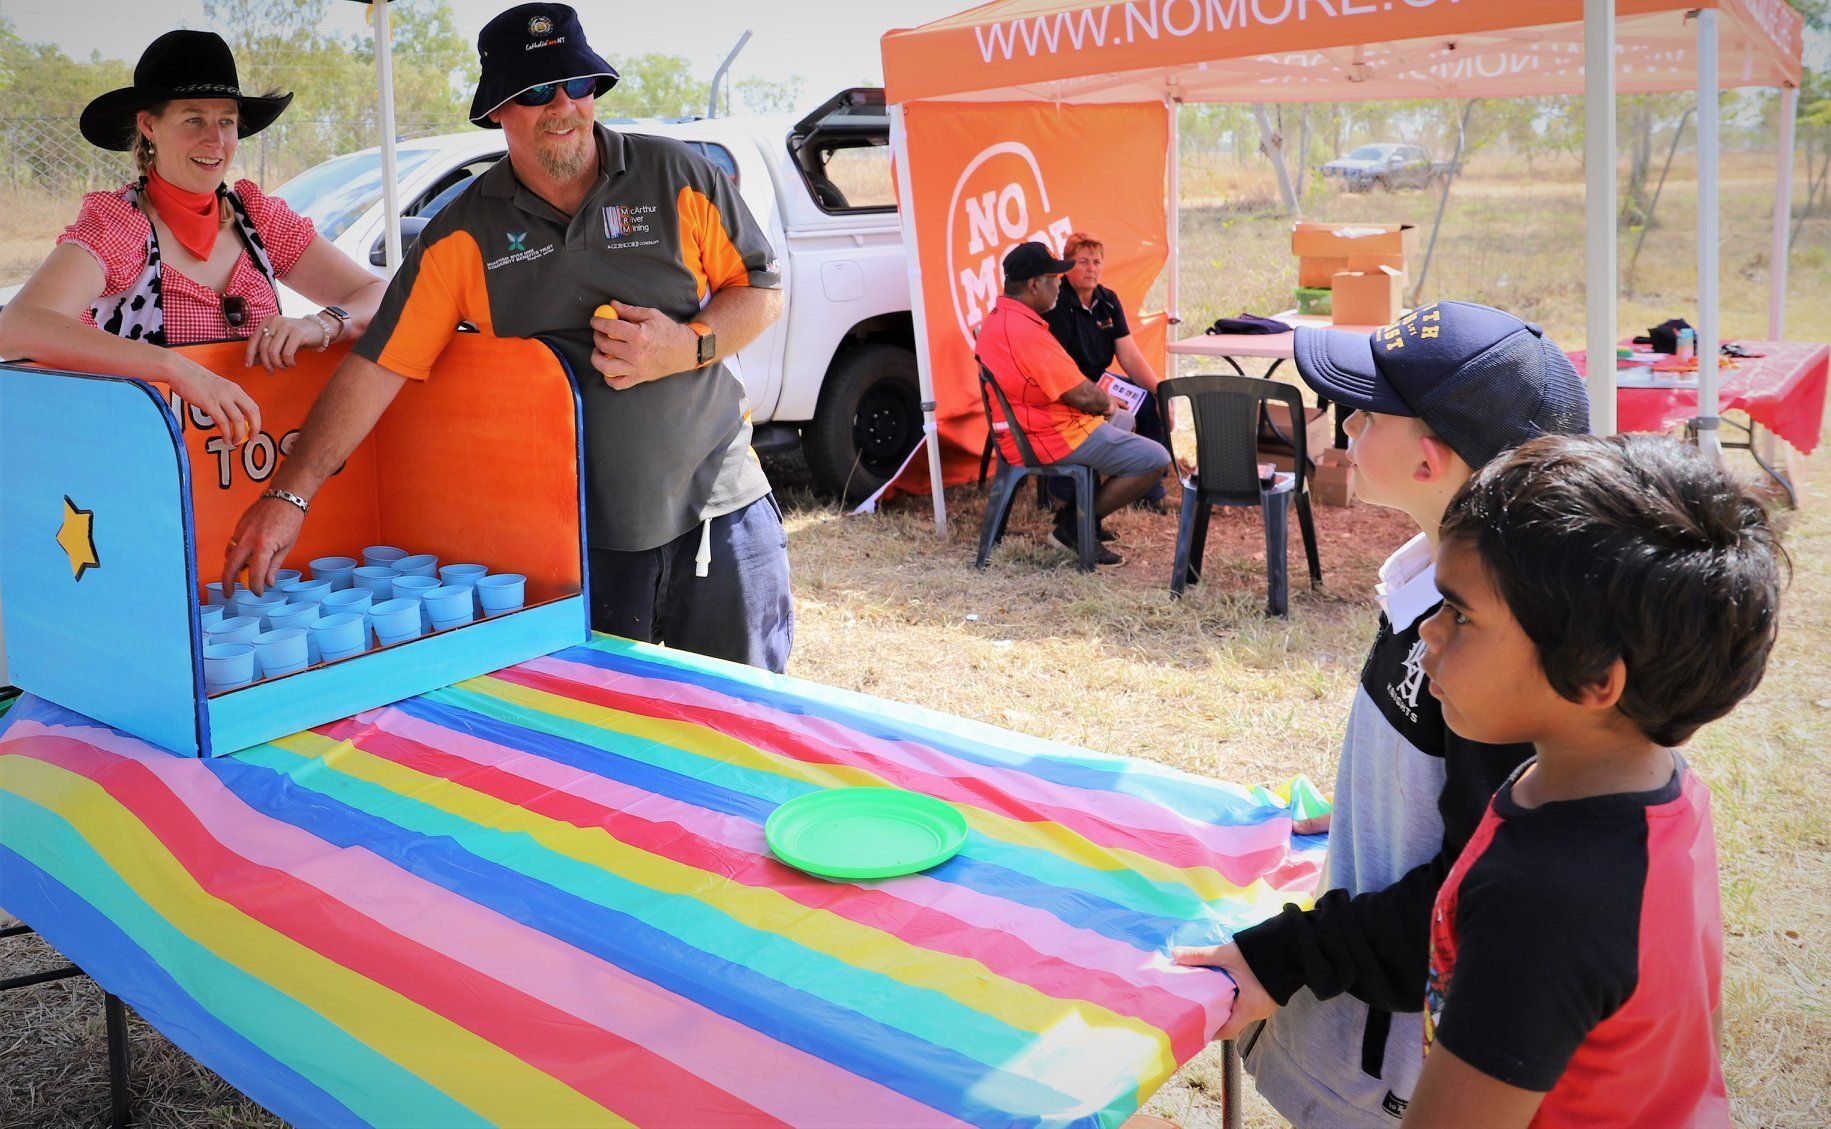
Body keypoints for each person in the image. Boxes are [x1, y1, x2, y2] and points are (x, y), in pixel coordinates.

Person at [220, 3, 792, 672]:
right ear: (498, 110)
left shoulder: (674, 176)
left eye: (577, 85)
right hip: (571, 542)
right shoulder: (464, 232)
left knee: (746, 734)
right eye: (536, 92)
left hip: (720, 517)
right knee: (601, 747)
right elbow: (377, 367)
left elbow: (761, 291)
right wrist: (287, 495)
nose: (563, 106)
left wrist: (686, 345)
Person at [1173, 302, 1589, 1124]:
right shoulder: (1429, 585)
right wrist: (1365, 805)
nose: (1345, 427)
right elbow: (1438, 783)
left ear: (1430, 459)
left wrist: (1282, 955)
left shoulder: (1492, 656)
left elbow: (1468, 901)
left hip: (1400, 1062)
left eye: (1364, 411)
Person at [1403, 432, 1780, 1126]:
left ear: (1590, 677)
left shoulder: (1544, 898)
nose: (1428, 631)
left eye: (1459, 614)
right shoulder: (1663, 786)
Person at [0, 30, 386, 444]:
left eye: (226, 122)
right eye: (194, 119)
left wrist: (323, 324)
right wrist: (175, 369)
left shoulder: (258, 221)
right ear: (149, 125)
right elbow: (18, 325)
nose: (215, 140)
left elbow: (377, 293)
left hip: (257, 465)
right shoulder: (120, 227)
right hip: (155, 472)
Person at [975, 242, 1170, 566]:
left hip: (1029, 429)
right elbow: (1080, 393)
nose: (1059, 284)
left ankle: (1081, 521)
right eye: (1054, 278)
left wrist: (1108, 407)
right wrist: (1109, 404)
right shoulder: (1025, 331)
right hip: (1049, 436)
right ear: (1034, 284)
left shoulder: (1000, 319)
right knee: (1154, 458)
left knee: (1123, 422)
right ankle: (1073, 527)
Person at [1043, 231, 1170, 517]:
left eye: (1096, 262)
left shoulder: (1108, 299)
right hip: (1068, 387)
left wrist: (1161, 390)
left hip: (1102, 381)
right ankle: (1064, 496)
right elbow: (1060, 369)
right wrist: (1103, 396)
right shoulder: (1056, 301)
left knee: (1152, 405)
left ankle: (1148, 491)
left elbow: (1129, 355)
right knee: (1083, 419)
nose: (1091, 269)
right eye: (1083, 262)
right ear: (1067, 265)